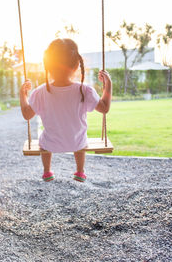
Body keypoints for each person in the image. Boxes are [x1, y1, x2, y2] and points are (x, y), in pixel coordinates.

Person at [19, 38, 112, 182]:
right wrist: (108, 85)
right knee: (80, 136)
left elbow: (26, 114)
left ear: (48, 66)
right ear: (76, 66)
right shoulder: (85, 90)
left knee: (43, 139)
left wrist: (22, 94)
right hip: (77, 143)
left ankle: (47, 171)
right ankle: (80, 171)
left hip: (50, 143)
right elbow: (105, 108)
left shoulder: (40, 92)